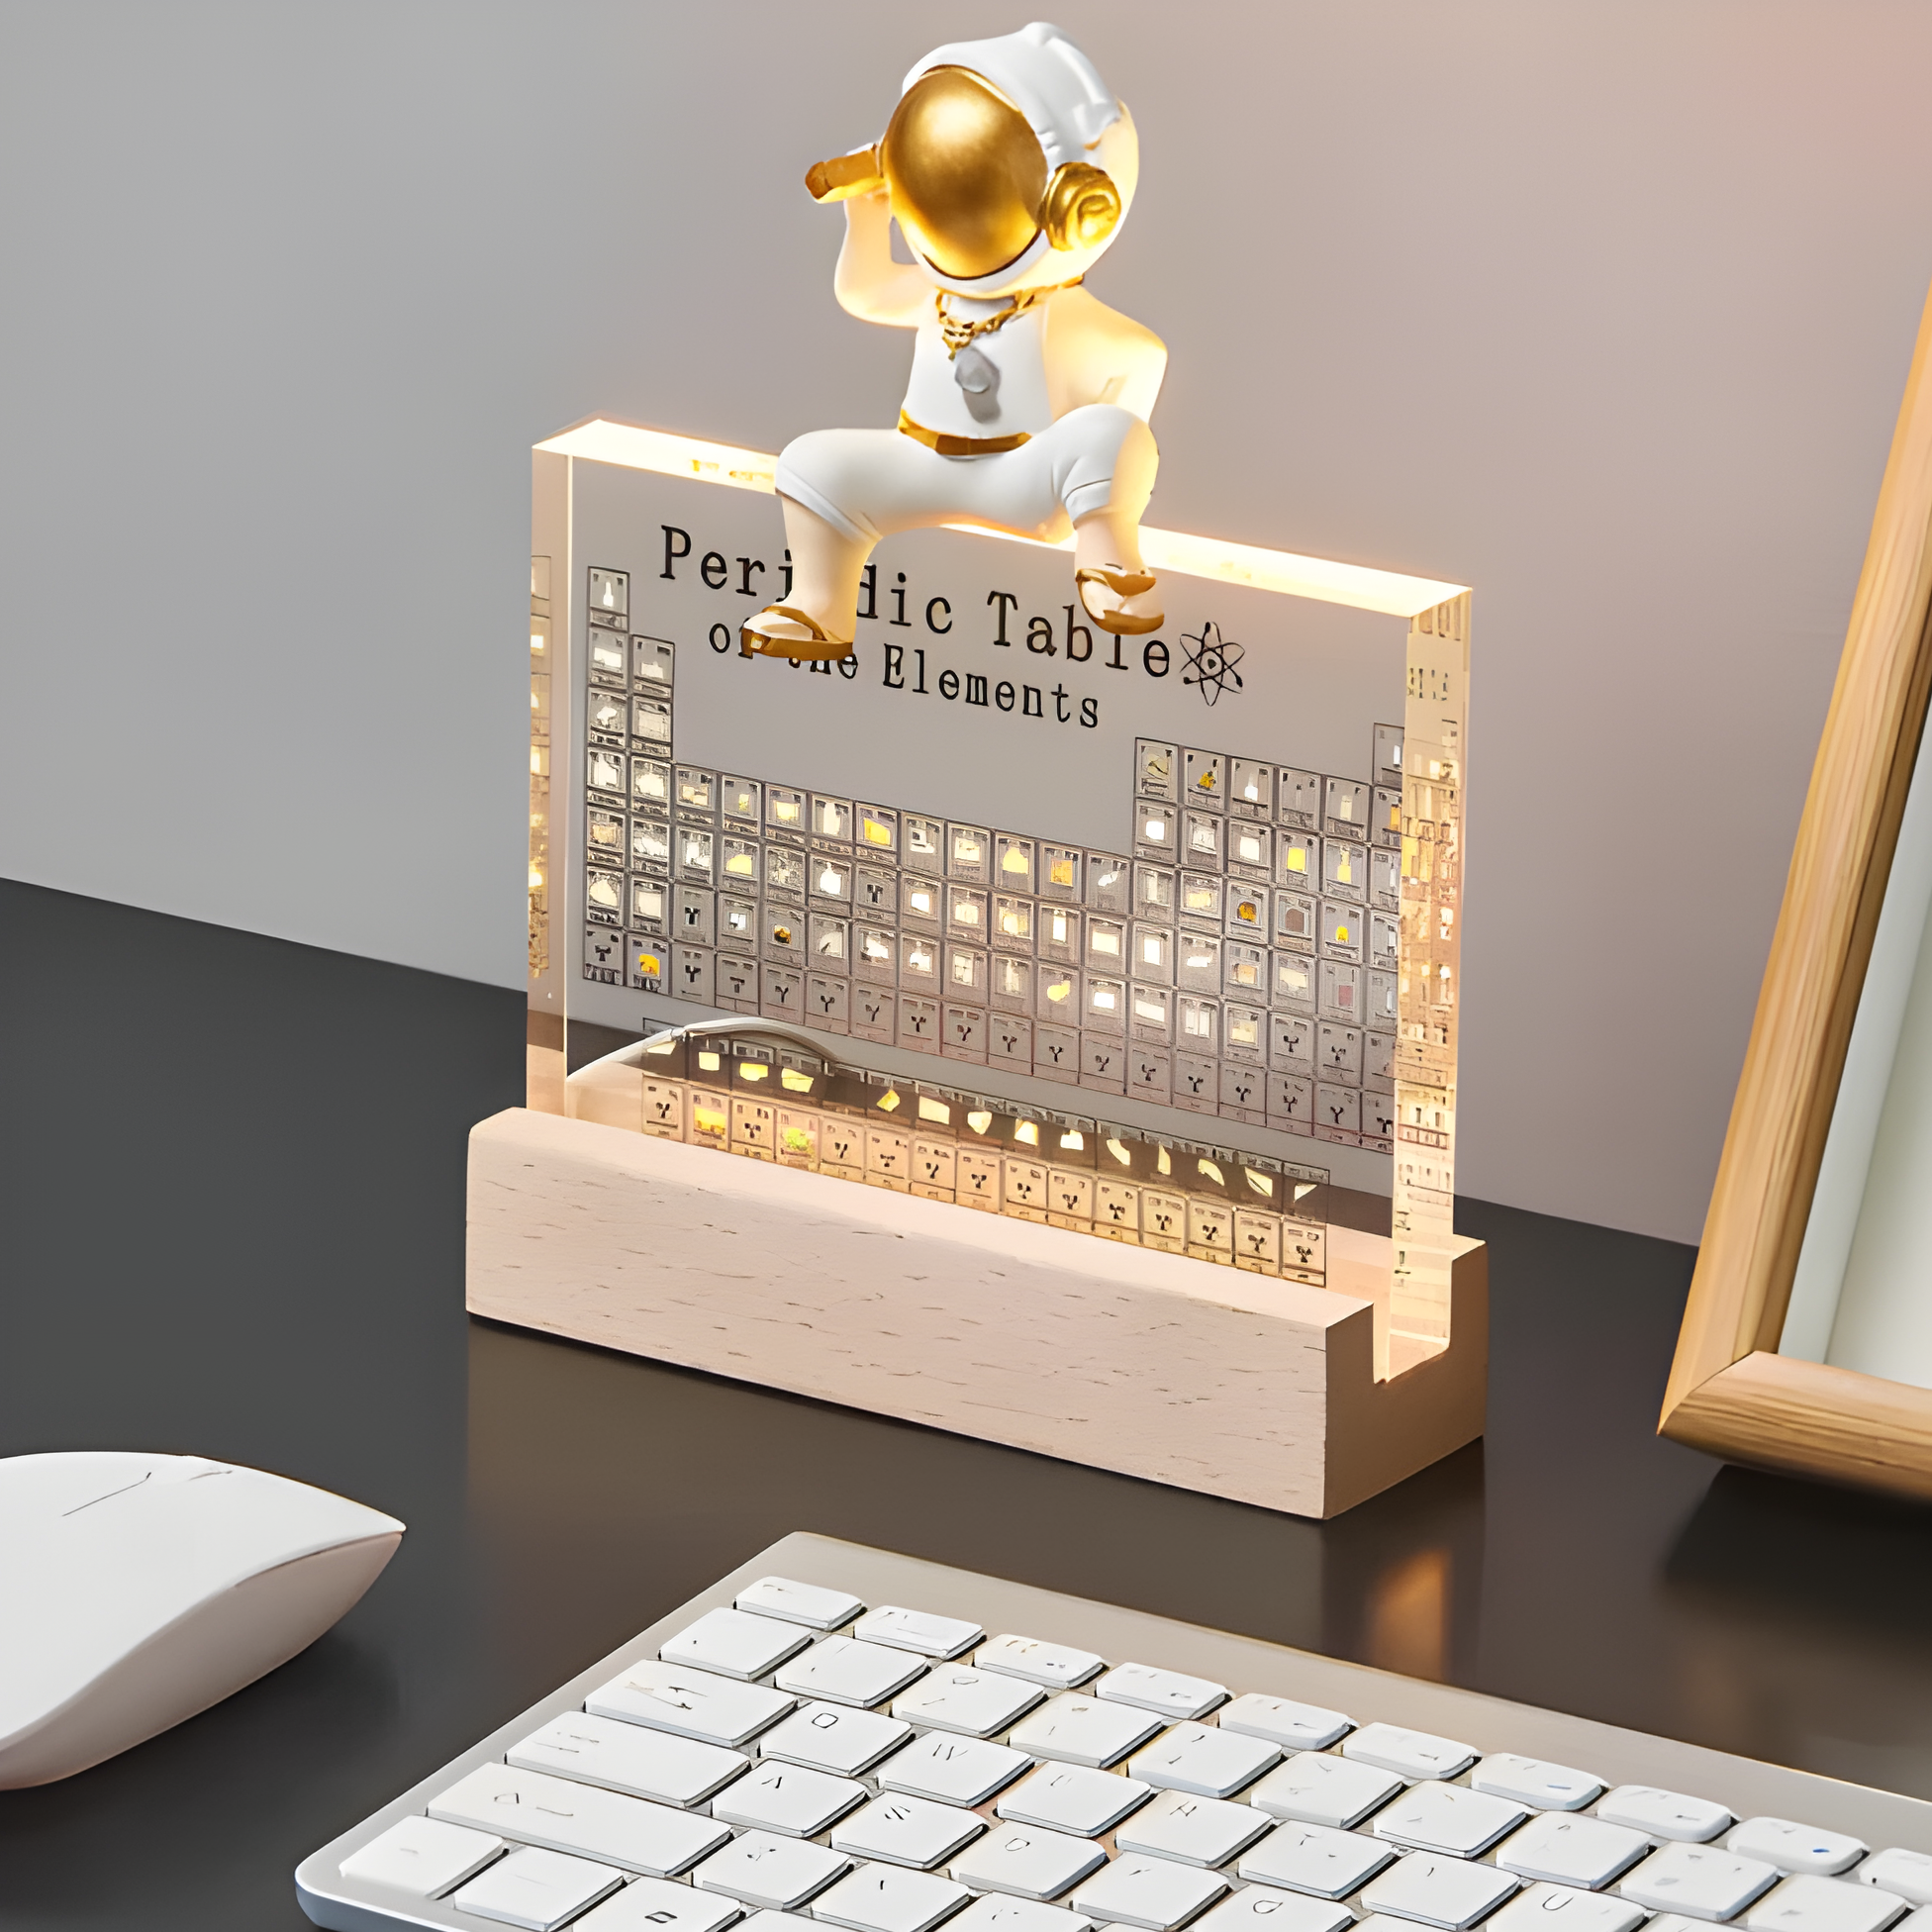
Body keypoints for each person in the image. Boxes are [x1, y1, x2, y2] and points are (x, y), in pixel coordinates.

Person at [742, 22, 1167, 662]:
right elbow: (864, 292)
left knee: (1115, 434)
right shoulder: (938, 296)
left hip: (1023, 478)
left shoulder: (1068, 314)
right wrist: (867, 218)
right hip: (918, 461)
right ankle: (820, 607)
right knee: (809, 461)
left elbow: (1140, 361)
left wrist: (1100, 457)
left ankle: (1107, 560)